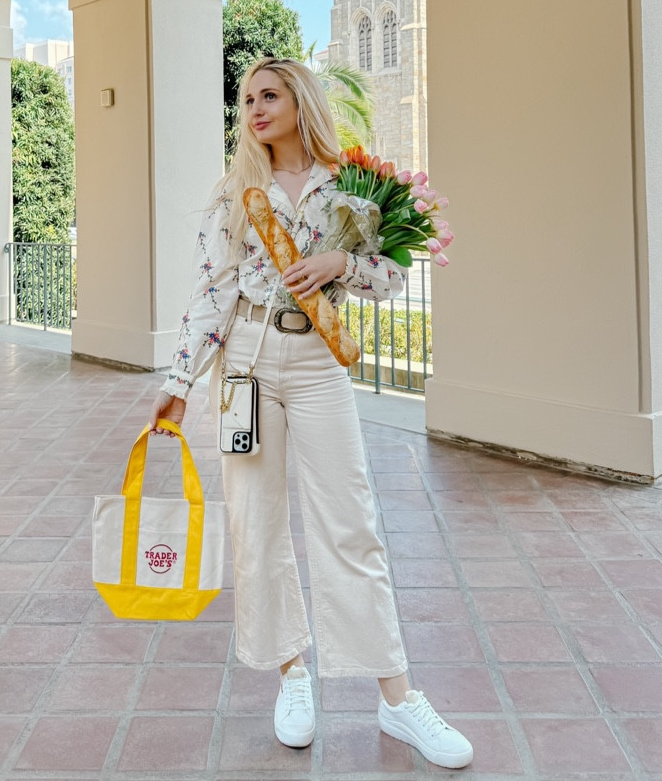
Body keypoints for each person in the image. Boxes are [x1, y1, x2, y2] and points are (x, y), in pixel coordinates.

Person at [147, 56, 473, 770]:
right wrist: (178, 380)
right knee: (255, 522)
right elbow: (212, 293)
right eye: (246, 100)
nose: (255, 109)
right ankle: (292, 675)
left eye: (268, 95)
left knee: (350, 523)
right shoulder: (234, 193)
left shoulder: (354, 186)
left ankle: (396, 696)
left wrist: (339, 267)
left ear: (300, 99)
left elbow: (389, 276)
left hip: (319, 363)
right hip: (245, 365)